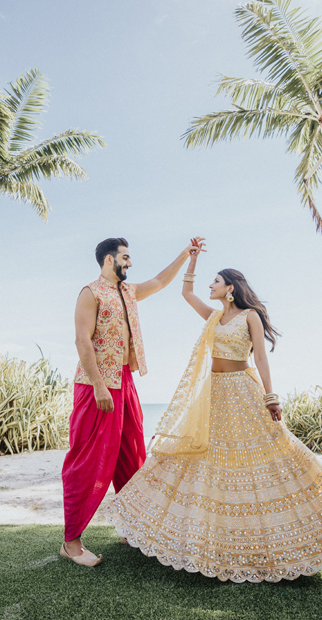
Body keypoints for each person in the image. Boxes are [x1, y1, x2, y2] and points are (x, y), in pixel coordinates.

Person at [107, 239, 322, 582]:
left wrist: (271, 397)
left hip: (243, 391)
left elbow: (261, 357)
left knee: (270, 456)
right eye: (210, 281)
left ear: (230, 288)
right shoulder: (214, 317)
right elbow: (186, 294)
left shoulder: (250, 315)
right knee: (203, 459)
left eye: (216, 281)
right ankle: (203, 538)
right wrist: (190, 260)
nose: (210, 286)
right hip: (213, 394)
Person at [60, 236, 204, 567]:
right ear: (109, 259)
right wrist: (98, 386)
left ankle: (130, 527)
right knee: (88, 458)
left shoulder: (128, 292)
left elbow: (160, 281)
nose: (130, 262)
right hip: (95, 384)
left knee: (131, 454)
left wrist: (185, 253)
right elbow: (82, 341)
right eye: (125, 257)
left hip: (124, 380)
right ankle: (71, 543)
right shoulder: (90, 293)